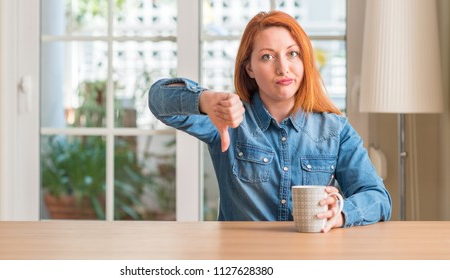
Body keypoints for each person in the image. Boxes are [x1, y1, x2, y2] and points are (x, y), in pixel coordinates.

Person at [148, 10, 391, 232]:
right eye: (267, 57)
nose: (283, 68)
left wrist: (338, 212)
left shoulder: (335, 130)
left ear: (304, 61)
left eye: (292, 54)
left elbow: (378, 198)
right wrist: (204, 100)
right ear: (249, 68)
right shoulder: (226, 118)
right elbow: (158, 99)